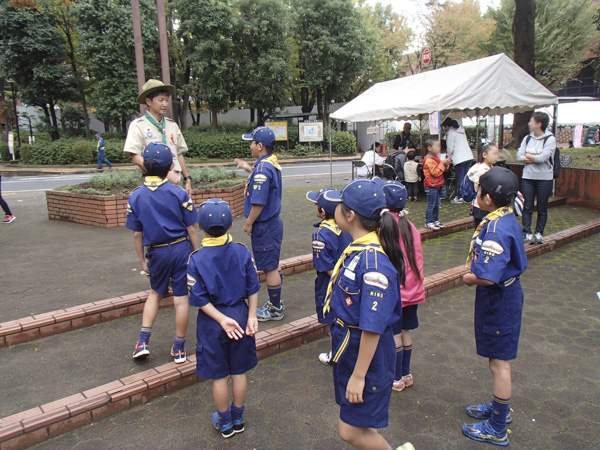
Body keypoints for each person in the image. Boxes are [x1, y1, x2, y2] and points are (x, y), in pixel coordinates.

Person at [321, 179, 414, 450]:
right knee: (360, 422)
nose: (334, 209)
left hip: (367, 356)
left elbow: (372, 327)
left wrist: (359, 375)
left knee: (349, 431)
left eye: (339, 205)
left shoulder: (374, 264)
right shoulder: (357, 249)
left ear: (349, 216)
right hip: (350, 348)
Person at [462, 166, 527, 446]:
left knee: (499, 363)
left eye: (478, 189)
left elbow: (487, 276)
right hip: (502, 298)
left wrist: (468, 278)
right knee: (495, 359)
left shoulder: (497, 229)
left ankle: (498, 427)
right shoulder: (504, 216)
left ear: (487, 198)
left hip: (500, 301)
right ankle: (499, 407)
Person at [187, 198, 260, 439]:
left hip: (212, 321)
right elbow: (253, 287)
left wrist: (220, 319)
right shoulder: (242, 250)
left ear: (200, 227)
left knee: (218, 375)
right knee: (238, 371)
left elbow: (198, 298)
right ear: (230, 226)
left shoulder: (196, 258)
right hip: (239, 314)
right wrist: (251, 316)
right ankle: (238, 418)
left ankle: (225, 422)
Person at [126, 142, 200, 363]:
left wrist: (142, 260)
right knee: (181, 300)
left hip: (156, 252)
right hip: (181, 249)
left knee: (155, 294)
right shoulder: (178, 193)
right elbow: (191, 229)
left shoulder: (136, 196)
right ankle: (179, 348)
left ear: (144, 167)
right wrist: (198, 254)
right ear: (170, 167)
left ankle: (143, 341)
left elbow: (137, 234)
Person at [377, 181, 426, 393]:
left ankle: (395, 378)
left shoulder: (384, 228)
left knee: (394, 335)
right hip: (414, 291)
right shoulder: (410, 226)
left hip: (396, 294)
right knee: (406, 332)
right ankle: (406, 373)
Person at [234, 127, 284, 321]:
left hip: (265, 226)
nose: (250, 145)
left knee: (270, 267)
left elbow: (258, 202)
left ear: (260, 146)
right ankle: (276, 303)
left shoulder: (263, 169)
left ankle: (275, 308)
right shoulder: (268, 163)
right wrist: (247, 167)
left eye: (252, 142)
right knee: (272, 263)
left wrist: (248, 223)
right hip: (273, 224)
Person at [306, 187, 353, 365]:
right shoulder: (349, 227)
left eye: (316, 205)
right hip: (351, 280)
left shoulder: (321, 234)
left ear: (322, 211)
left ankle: (336, 355)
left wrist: (340, 281)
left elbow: (326, 266)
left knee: (334, 321)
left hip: (332, 284)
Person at [124, 79, 193, 196]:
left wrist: (187, 179)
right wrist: (163, 172)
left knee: (177, 213)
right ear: (148, 101)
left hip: (175, 181)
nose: (165, 104)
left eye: (166, 100)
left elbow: (179, 153)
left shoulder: (172, 125)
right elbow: (135, 157)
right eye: (160, 100)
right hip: (151, 183)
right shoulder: (138, 125)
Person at [516, 111, 556, 245]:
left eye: (531, 121)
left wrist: (529, 156)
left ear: (539, 124)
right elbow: (519, 156)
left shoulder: (550, 139)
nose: (529, 123)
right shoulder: (527, 138)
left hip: (544, 178)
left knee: (542, 207)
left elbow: (543, 158)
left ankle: (539, 232)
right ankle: (527, 232)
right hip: (528, 177)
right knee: (527, 206)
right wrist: (534, 157)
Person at [442, 118, 474, 203]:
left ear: (448, 126)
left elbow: (450, 147)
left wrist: (448, 156)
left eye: (444, 127)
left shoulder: (451, 133)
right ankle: (466, 196)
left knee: (459, 179)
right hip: (468, 156)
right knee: (466, 178)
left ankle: (460, 196)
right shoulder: (462, 130)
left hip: (459, 158)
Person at [468, 143, 500, 227]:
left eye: (497, 154)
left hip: (486, 204)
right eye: (494, 154)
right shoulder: (481, 169)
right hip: (481, 204)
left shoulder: (488, 167)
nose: (496, 156)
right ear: (484, 154)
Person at [423, 139, 451, 230]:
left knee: (437, 204)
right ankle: (428, 222)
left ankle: (435, 220)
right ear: (429, 148)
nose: (439, 148)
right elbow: (435, 172)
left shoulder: (436, 157)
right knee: (431, 204)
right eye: (437, 146)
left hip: (437, 184)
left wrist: (446, 164)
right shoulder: (428, 160)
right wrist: (443, 164)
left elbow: (442, 169)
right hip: (431, 185)